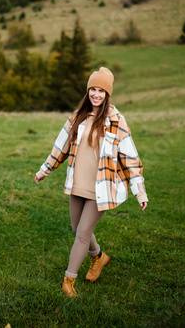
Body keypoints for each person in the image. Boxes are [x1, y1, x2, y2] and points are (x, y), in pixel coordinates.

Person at [35, 67, 148, 298]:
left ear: (108, 95)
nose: (96, 94)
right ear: (88, 92)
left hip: (101, 187)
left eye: (101, 91)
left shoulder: (117, 122)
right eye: (92, 89)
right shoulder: (77, 117)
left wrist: (140, 191)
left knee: (82, 234)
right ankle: (99, 257)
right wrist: (44, 170)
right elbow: (61, 148)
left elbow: (130, 158)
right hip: (78, 182)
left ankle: (68, 282)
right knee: (77, 228)